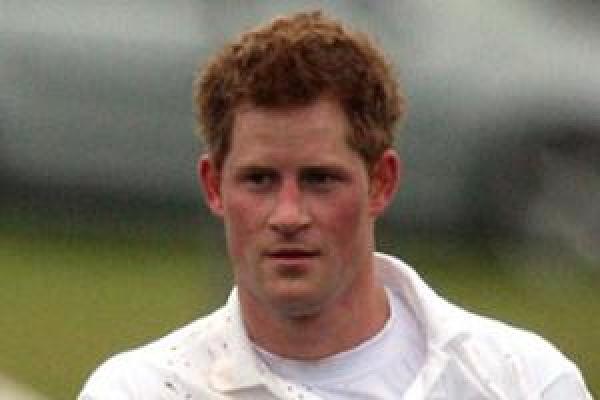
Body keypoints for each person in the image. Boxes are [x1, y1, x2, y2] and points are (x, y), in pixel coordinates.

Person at [78, 10, 593, 400]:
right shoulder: (141, 390)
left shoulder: (523, 382)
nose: (288, 215)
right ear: (214, 186)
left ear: (381, 182)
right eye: (259, 180)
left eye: (320, 180)